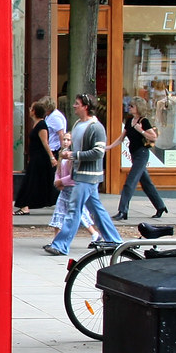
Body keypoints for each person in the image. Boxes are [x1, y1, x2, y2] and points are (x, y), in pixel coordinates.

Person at [43, 94, 123, 256]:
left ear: (86, 107)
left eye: (77, 104)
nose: (74, 106)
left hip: (88, 175)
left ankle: (60, 245)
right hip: (81, 174)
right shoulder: (79, 124)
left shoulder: (95, 127)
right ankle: (114, 239)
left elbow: (98, 152)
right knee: (96, 209)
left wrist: (74, 155)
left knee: (74, 209)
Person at [107, 95, 167, 220]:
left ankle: (123, 211)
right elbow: (121, 138)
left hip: (142, 154)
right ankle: (160, 206)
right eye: (129, 106)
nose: (129, 108)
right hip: (134, 154)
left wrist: (141, 131)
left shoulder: (143, 121)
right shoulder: (129, 121)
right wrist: (109, 147)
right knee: (146, 183)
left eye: (132, 106)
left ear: (138, 108)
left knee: (130, 182)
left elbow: (154, 137)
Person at [48, 132, 101, 246]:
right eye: (64, 139)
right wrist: (57, 181)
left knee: (80, 213)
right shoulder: (62, 154)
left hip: (72, 188)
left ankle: (94, 234)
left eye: (68, 140)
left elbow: (73, 176)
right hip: (64, 189)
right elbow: (58, 171)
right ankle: (56, 240)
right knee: (59, 212)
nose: (66, 142)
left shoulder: (73, 156)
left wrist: (61, 181)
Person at [14, 101, 58, 214]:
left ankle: (25, 206)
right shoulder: (36, 124)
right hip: (35, 157)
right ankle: (25, 206)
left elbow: (45, 143)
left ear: (34, 111)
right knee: (34, 182)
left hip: (40, 159)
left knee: (32, 181)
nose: (29, 110)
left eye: (31, 108)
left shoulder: (42, 125)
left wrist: (52, 158)